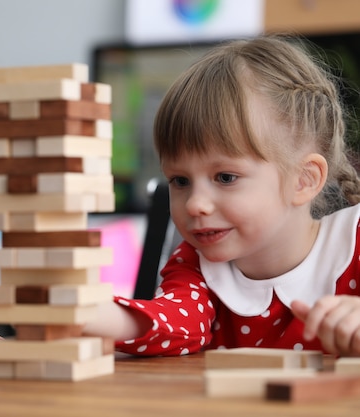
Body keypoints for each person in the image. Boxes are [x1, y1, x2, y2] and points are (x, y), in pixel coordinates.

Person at [84, 35, 360, 357]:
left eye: (225, 177)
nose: (195, 204)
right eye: (180, 180)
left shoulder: (353, 244)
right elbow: (176, 323)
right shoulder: (197, 263)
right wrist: (79, 313)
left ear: (303, 180)